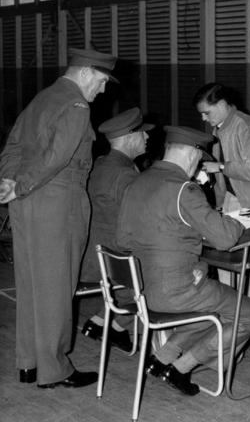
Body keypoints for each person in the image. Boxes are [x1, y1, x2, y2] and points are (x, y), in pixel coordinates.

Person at [116, 126, 250, 396]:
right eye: (199, 160)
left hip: (139, 289)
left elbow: (125, 241)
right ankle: (181, 367)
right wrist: (232, 219)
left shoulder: (136, 183)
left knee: (209, 306)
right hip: (173, 293)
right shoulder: (184, 189)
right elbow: (225, 239)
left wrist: (196, 264)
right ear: (193, 154)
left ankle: (161, 359)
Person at [0, 48, 117, 388]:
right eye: (102, 80)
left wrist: (9, 183)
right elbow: (56, 158)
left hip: (26, 206)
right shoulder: (77, 106)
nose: (103, 88)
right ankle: (54, 369)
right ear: (84, 73)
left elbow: (13, 146)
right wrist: (18, 186)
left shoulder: (42, 98)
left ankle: (29, 363)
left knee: (31, 283)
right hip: (58, 203)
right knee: (56, 286)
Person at [79, 107, 153, 352]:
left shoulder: (102, 164)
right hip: (116, 261)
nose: (147, 137)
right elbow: (144, 220)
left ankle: (103, 324)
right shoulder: (124, 175)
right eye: (142, 133)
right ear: (130, 138)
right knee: (177, 270)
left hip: (96, 255)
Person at [194, 83, 250, 220]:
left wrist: (221, 166)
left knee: (237, 237)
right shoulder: (218, 129)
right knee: (227, 235)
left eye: (206, 113)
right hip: (234, 196)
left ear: (222, 104)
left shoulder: (249, 127)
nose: (203, 118)